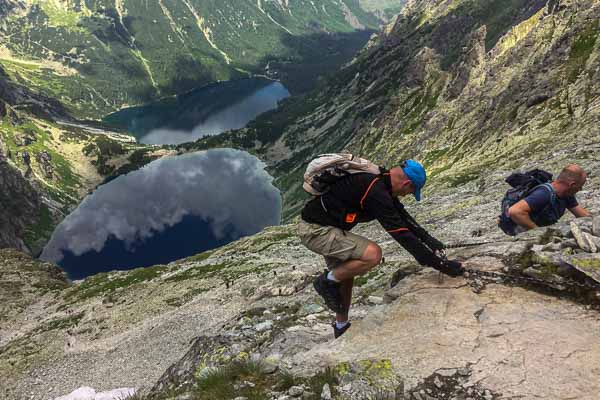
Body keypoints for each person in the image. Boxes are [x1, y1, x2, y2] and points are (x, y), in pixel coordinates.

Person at [297, 160, 463, 338]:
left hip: (324, 227)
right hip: (316, 231)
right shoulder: (376, 192)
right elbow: (401, 234)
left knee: (346, 273)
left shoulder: (381, 181)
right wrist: (441, 265)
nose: (406, 195)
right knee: (372, 254)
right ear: (407, 184)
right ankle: (325, 281)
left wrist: (432, 242)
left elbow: (404, 219)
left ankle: (341, 325)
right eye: (410, 192)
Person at [506, 164, 590, 234]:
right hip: (519, 231)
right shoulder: (543, 194)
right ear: (572, 184)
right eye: (580, 187)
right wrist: (538, 232)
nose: (580, 190)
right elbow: (515, 211)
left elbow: (582, 215)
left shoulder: (566, 194)